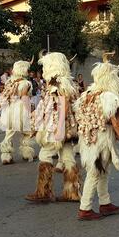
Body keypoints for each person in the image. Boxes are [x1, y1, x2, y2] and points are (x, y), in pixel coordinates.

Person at [75, 56, 119, 220]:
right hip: (101, 140)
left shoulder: (87, 94)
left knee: (103, 170)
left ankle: (105, 202)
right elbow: (116, 123)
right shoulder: (108, 96)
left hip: (88, 138)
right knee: (95, 172)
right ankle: (85, 208)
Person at [26, 52, 82, 203]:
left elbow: (64, 105)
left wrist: (59, 127)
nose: (43, 69)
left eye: (45, 66)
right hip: (66, 127)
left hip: (57, 127)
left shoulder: (59, 83)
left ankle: (44, 192)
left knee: (45, 155)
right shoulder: (65, 82)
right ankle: (72, 192)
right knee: (68, 157)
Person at [0, 60, 36, 164]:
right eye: (27, 69)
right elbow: (24, 97)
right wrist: (30, 111)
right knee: (27, 132)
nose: (29, 71)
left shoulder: (10, 82)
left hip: (9, 109)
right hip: (21, 109)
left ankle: (6, 156)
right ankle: (27, 153)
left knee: (9, 133)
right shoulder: (25, 83)